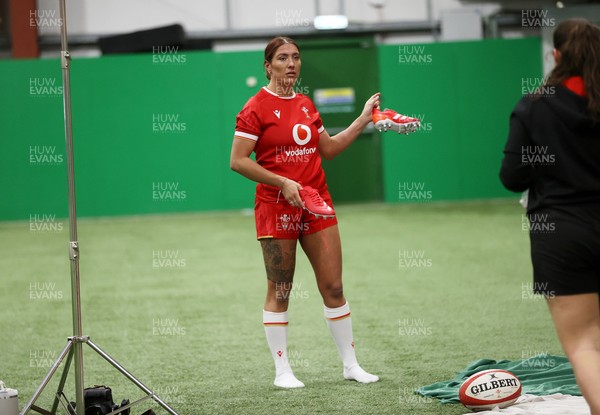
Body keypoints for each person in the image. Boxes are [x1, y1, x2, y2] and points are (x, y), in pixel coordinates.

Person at [230, 36, 381, 388]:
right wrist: (282, 182)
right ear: (268, 66)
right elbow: (237, 161)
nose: (291, 63)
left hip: (316, 204)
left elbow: (327, 149)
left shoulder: (305, 104)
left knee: (334, 285)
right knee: (280, 288)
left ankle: (351, 365)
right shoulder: (254, 108)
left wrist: (362, 120)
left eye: (296, 57)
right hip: (275, 207)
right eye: (282, 58)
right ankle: (282, 371)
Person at [500, 18, 600, 414]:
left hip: (561, 233)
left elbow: (512, 177)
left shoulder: (533, 106)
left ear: (555, 54)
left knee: (583, 343)